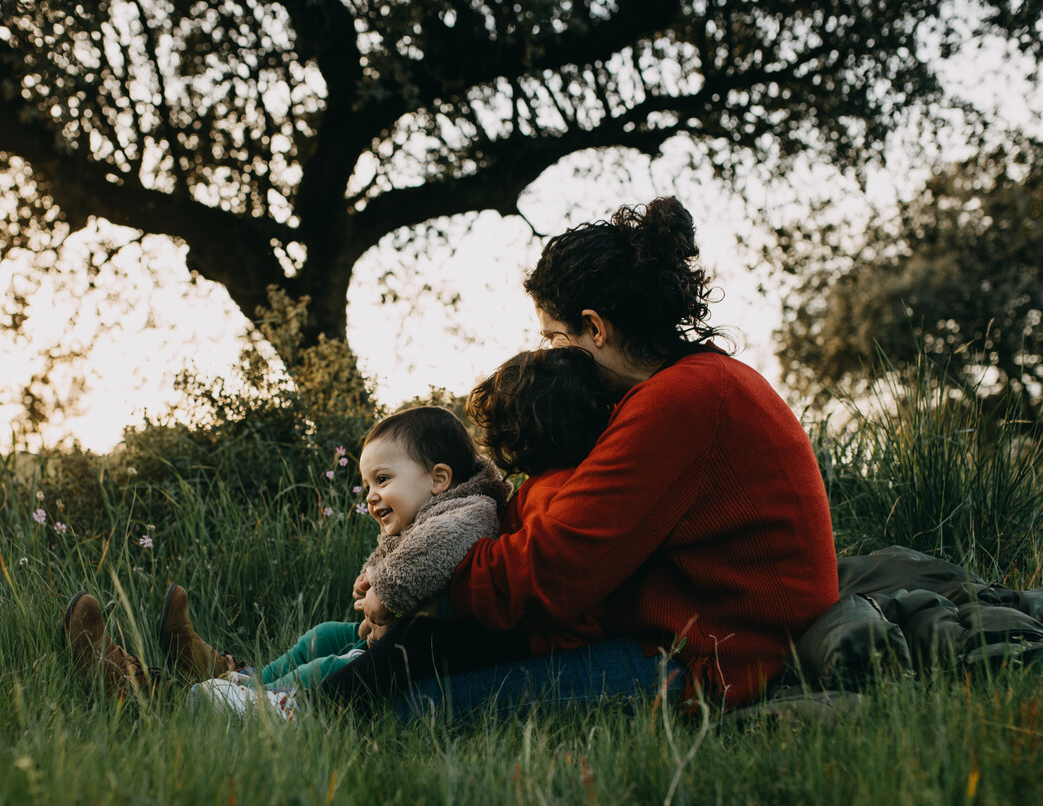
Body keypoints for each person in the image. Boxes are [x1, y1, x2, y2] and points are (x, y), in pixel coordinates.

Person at [320, 196, 840, 714]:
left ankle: (288, 706)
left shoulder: (682, 401)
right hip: (681, 633)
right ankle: (263, 688)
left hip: (711, 660)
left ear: (594, 328)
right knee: (377, 649)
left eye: (553, 337)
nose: (548, 356)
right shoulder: (683, 388)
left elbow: (553, 569)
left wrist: (420, 589)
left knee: (411, 703)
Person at [60, 406, 512, 697]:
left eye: (384, 480)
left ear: (438, 479)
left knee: (330, 664)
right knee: (323, 636)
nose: (371, 495)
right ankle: (237, 678)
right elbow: (398, 550)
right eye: (368, 483)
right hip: (403, 639)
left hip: (425, 659)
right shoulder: (433, 510)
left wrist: (385, 591)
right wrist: (373, 573)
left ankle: (207, 699)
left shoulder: (468, 512)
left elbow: (429, 553)